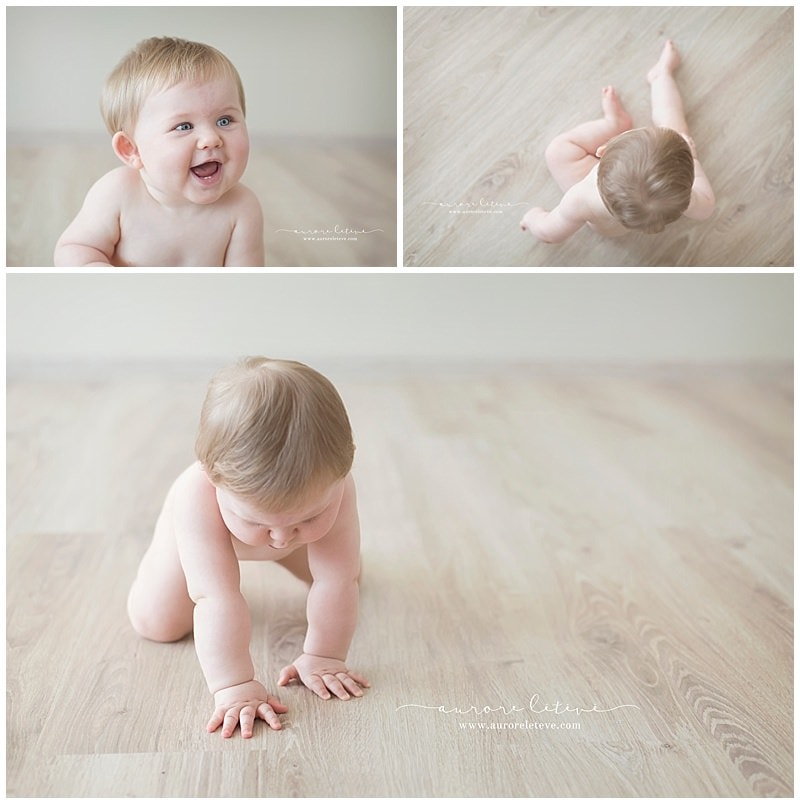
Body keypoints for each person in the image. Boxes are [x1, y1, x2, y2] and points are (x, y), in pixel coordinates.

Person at [127, 357, 368, 738]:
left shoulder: (335, 485)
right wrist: (234, 686)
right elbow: (216, 598)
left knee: (349, 576)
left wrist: (324, 656)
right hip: (206, 539)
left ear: (343, 468)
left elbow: (338, 580)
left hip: (299, 540)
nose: (281, 536)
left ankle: (285, 528)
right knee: (158, 623)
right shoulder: (198, 495)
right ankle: (163, 568)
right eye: (258, 520)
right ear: (213, 475)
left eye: (308, 515)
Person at [54, 37, 264, 266]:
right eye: (184, 127)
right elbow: (75, 249)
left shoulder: (242, 208)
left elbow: (245, 283)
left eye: (224, 120)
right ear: (131, 149)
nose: (211, 139)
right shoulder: (117, 193)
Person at [521, 40, 715, 243]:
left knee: (558, 151)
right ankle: (661, 76)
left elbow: (548, 232)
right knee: (675, 127)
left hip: (601, 213)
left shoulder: (580, 199)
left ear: (603, 150)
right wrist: (693, 159)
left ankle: (614, 124)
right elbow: (707, 209)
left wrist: (533, 217)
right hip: (625, 220)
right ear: (688, 182)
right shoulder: (684, 197)